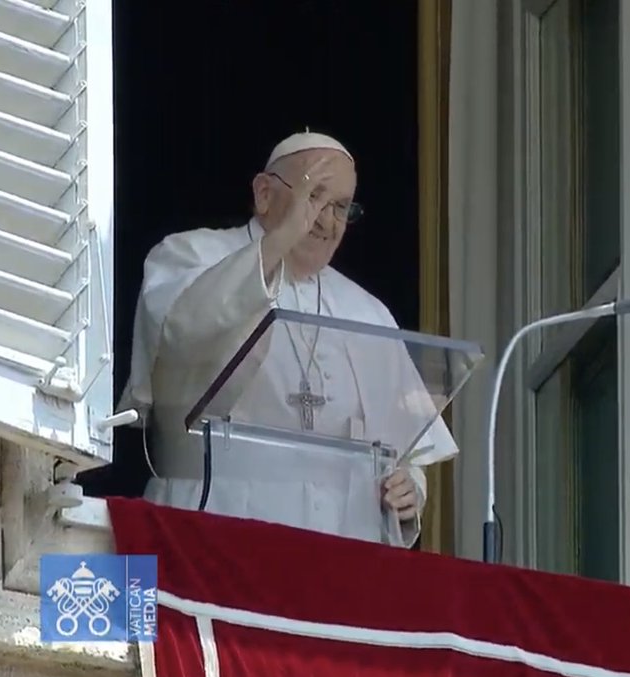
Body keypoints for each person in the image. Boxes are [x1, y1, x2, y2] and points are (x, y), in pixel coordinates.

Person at [117, 131, 458, 548]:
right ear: (264, 194)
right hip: (213, 531)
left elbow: (406, 451)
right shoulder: (189, 255)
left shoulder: (368, 311)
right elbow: (182, 336)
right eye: (314, 198)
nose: (327, 221)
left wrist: (410, 488)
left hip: (339, 550)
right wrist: (280, 239)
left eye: (341, 207)